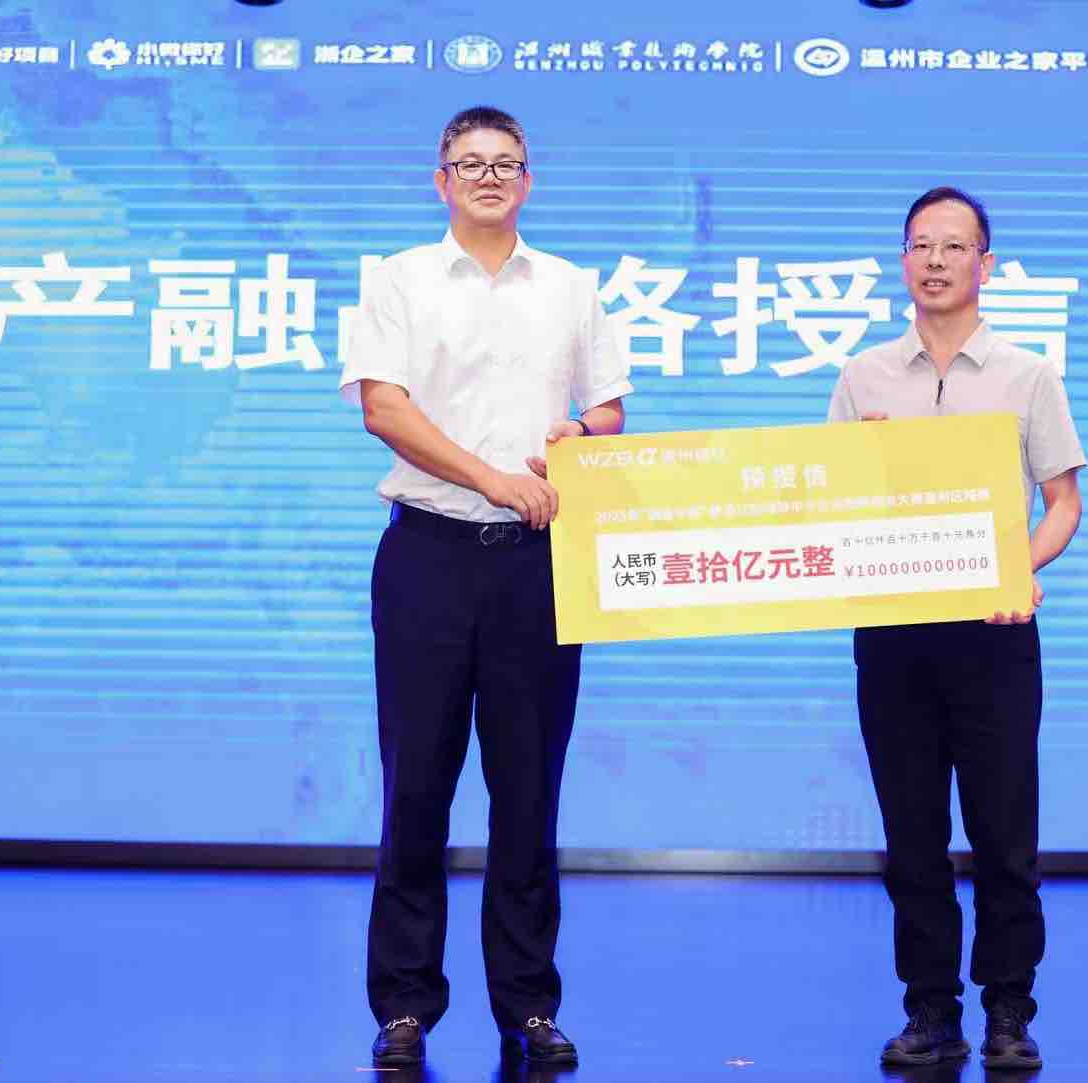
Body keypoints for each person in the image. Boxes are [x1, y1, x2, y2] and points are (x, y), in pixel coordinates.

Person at [338, 105, 631, 1069]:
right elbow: (384, 408)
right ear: (442, 181)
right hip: (427, 557)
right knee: (416, 785)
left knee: (529, 788)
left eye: (506, 163)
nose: (490, 177)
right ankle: (404, 1004)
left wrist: (580, 436)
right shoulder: (398, 279)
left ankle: (529, 1003)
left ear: (528, 181)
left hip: (537, 565)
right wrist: (492, 477)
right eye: (470, 164)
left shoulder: (573, 287)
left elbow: (608, 410)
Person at [826, 187, 1085, 1070]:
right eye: (919, 245)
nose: (934, 261)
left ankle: (1010, 1008)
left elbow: (1062, 503)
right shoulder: (863, 375)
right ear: (902, 260)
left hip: (992, 631)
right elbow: (827, 501)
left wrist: (1022, 570)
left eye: (953, 246)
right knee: (911, 837)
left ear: (986, 264)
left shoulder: (1027, 374)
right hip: (893, 633)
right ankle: (930, 1009)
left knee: (1005, 833)